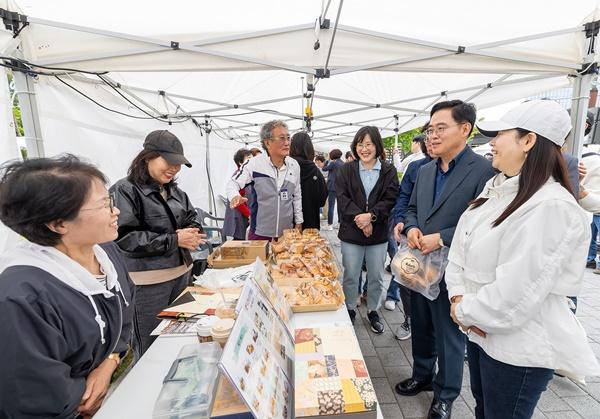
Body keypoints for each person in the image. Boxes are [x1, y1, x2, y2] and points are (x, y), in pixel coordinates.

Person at [447, 99, 600, 419]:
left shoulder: (552, 206)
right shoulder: (497, 188)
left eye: (500, 134)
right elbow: (461, 249)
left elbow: (516, 293)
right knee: (483, 410)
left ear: (528, 140)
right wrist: (459, 296)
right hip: (479, 331)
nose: (491, 143)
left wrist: (462, 309)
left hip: (518, 350)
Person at [0, 155, 135, 418]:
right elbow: (35, 397)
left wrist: (108, 363)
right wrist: (84, 395)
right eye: (104, 204)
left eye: (111, 200)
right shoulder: (21, 296)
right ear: (58, 223)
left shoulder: (106, 252)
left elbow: (126, 311)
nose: (115, 211)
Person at [394, 100, 495, 419]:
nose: (432, 135)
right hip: (420, 265)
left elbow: (486, 221)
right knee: (421, 324)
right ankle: (422, 375)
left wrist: (442, 236)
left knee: (450, 334)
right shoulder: (423, 171)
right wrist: (410, 227)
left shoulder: (483, 171)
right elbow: (411, 208)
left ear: (465, 129)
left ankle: (446, 394)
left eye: (441, 128)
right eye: (429, 129)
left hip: (455, 270)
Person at [111, 130, 204, 355]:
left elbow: (193, 218)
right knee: (150, 346)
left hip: (181, 276)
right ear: (147, 157)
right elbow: (124, 237)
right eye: (170, 161)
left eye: (179, 164)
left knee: (180, 339)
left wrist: (192, 233)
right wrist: (175, 239)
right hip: (148, 283)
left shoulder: (175, 192)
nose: (175, 168)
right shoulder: (125, 190)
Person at [336, 126, 399, 333]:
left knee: (377, 275)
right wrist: (362, 220)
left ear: (377, 145)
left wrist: (371, 217)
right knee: (351, 274)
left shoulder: (388, 170)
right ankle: (350, 308)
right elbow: (343, 198)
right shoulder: (347, 169)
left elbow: (390, 198)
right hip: (351, 233)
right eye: (360, 144)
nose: (364, 149)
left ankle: (373, 310)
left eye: (369, 144)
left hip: (378, 233)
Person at [386, 132, 434, 341]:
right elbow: (404, 197)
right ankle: (409, 318)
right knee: (407, 281)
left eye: (438, 131)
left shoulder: (469, 170)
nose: (432, 139)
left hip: (440, 245)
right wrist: (401, 221)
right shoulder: (416, 167)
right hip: (412, 238)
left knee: (432, 288)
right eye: (429, 134)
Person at [227, 120, 303, 239]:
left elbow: (297, 195)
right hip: (260, 233)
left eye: (288, 138)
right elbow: (233, 183)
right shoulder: (254, 164)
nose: (287, 142)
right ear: (267, 142)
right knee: (260, 259)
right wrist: (234, 195)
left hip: (287, 233)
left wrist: (299, 221)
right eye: (282, 138)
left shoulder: (294, 165)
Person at [290, 132, 327, 229]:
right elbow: (322, 199)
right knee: (310, 244)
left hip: (288, 221)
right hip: (311, 221)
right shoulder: (314, 170)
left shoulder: (285, 167)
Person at [223, 148, 252, 240]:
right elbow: (238, 202)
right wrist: (249, 215)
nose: (251, 160)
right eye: (248, 158)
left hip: (243, 213)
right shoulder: (238, 176)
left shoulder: (249, 175)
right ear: (240, 162)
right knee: (240, 241)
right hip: (239, 214)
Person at [322, 149, 344, 230]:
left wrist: (327, 160)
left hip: (332, 187)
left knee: (331, 206)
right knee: (340, 206)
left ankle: (330, 225)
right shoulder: (342, 163)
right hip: (341, 187)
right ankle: (339, 223)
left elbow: (324, 168)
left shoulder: (333, 163)